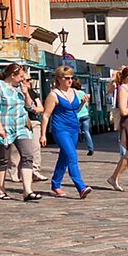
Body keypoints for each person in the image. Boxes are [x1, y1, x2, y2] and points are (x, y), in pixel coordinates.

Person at [0, 62, 40, 201]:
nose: (23, 80)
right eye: (21, 77)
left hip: (21, 127)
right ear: (13, 75)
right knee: (2, 160)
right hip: (5, 127)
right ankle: (1, 190)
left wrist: (26, 93)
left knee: (28, 156)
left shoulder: (20, 89)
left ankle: (27, 191)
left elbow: (30, 107)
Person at [44, 65, 90, 198]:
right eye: (67, 78)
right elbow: (46, 115)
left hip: (74, 128)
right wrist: (43, 135)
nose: (70, 81)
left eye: (71, 78)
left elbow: (75, 110)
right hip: (61, 129)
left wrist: (82, 103)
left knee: (64, 158)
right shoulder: (54, 95)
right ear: (59, 79)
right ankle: (81, 187)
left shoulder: (75, 92)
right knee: (72, 156)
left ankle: (55, 184)